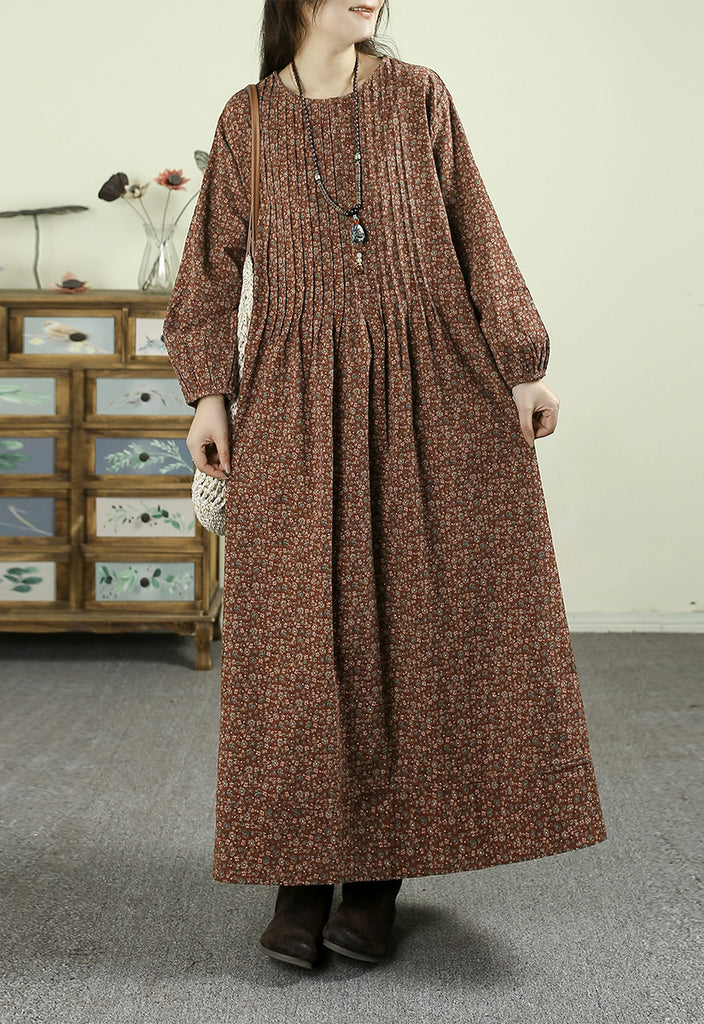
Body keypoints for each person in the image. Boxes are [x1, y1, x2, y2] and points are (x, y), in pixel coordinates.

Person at [162, 0, 608, 972]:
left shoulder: (420, 98)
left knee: (410, 630)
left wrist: (521, 367)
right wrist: (208, 396)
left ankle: (374, 881)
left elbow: (476, 232)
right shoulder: (247, 118)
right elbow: (210, 270)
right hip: (294, 394)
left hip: (430, 383)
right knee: (293, 637)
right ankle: (296, 875)